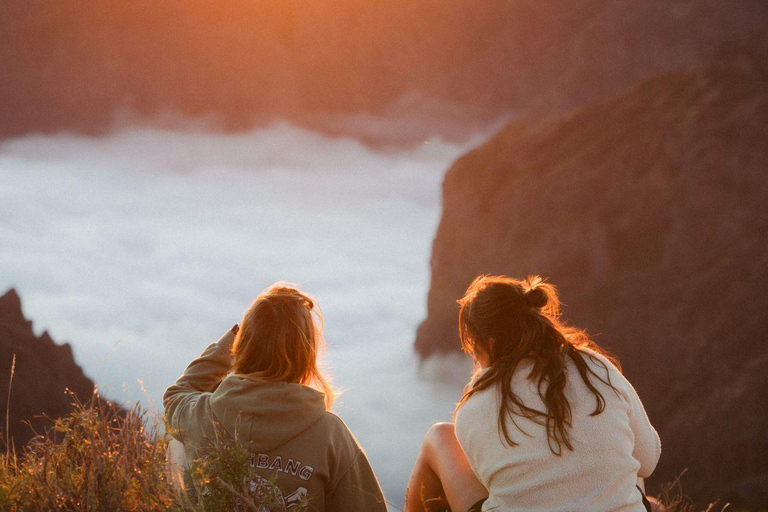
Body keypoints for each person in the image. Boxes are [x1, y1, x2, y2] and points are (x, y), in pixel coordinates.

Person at [405, 275, 662, 512]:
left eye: (473, 344)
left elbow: (491, 484)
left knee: (438, 436)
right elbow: (647, 461)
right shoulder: (595, 367)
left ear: (490, 344)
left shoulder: (474, 408)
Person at [164, 283, 387, 512]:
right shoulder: (331, 436)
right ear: (305, 355)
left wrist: (232, 340)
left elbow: (177, 394)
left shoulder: (200, 417)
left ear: (244, 346)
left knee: (176, 443)